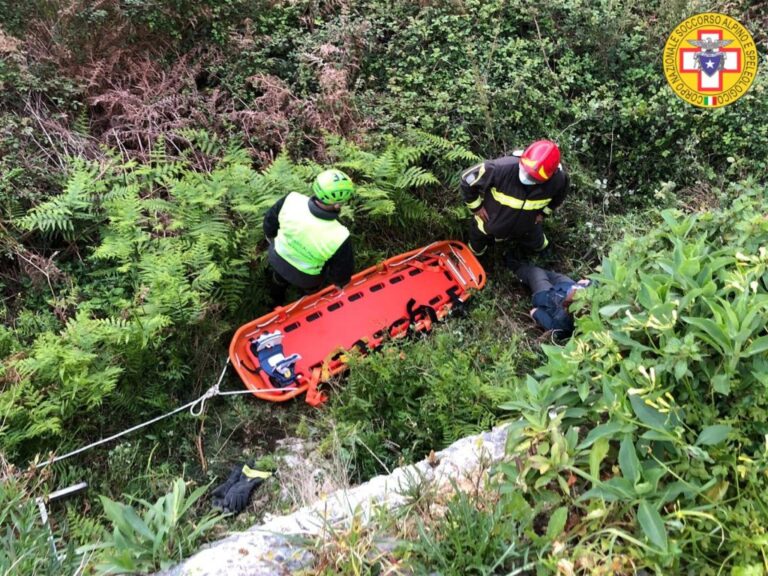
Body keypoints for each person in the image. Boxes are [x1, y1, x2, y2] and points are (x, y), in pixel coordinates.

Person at [460, 140, 569, 258]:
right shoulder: (500, 168)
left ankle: (544, 256)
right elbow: (467, 180)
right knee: (477, 243)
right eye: (525, 171)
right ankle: (476, 256)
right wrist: (476, 207)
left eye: (533, 178)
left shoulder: (559, 180)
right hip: (489, 222)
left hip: (528, 225)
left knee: (540, 244)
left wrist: (543, 214)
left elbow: (559, 198)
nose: (526, 178)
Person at [263, 169, 355, 296]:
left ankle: (275, 297)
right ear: (337, 205)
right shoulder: (340, 236)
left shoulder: (292, 200)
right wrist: (340, 284)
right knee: (310, 291)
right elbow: (342, 272)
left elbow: (269, 224)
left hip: (277, 257)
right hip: (307, 278)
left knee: (278, 280)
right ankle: (308, 296)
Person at [514, 263, 591, 338]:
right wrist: (587, 284)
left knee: (535, 271)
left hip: (545, 294)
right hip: (565, 286)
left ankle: (514, 266)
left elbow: (534, 311)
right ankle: (526, 265)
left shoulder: (561, 326)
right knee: (544, 273)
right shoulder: (586, 306)